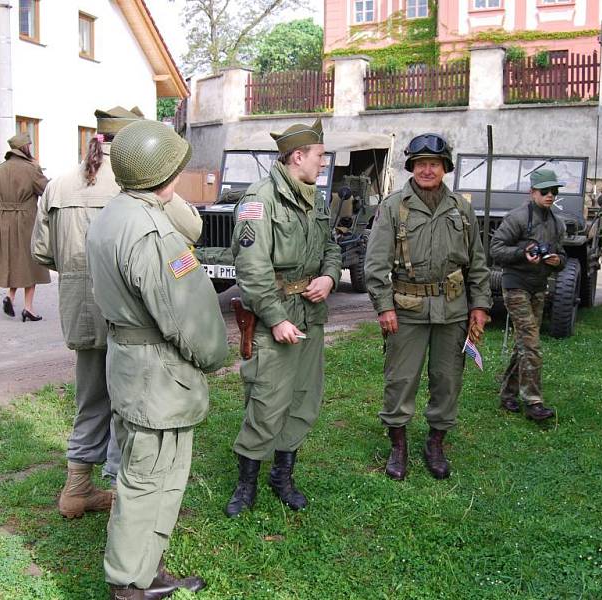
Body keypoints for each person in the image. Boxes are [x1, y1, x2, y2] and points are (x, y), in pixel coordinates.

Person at [86, 119, 228, 599]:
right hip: (158, 374)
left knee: (143, 470)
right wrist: (213, 356)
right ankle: (129, 582)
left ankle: (146, 568)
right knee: (150, 479)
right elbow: (188, 313)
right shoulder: (154, 234)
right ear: (166, 172)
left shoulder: (113, 213)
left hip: (130, 363)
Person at [224, 118, 342, 518]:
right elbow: (252, 268)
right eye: (320, 156)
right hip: (276, 315)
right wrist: (274, 319)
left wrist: (328, 277)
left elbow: (332, 248)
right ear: (297, 157)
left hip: (310, 314)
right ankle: (246, 484)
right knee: (267, 400)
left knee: (303, 398)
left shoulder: (315, 199)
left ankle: (282, 477)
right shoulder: (260, 200)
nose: (323, 163)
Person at [31, 106, 144, 519]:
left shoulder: (58, 185)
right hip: (127, 311)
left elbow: (42, 252)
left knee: (89, 398)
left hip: (79, 310)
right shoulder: (139, 182)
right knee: (126, 401)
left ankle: (76, 490)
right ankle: (120, 491)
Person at [364, 133, 492, 482]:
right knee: (401, 379)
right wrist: (384, 307)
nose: (427, 170)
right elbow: (375, 265)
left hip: (453, 309)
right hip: (406, 309)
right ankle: (399, 445)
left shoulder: (461, 209)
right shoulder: (393, 207)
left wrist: (480, 304)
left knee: (447, 379)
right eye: (420, 164)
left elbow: (477, 263)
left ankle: (436, 442)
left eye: (433, 164)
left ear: (445, 168)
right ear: (412, 167)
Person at [490, 168, 567, 422]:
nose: (550, 195)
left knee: (523, 343)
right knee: (532, 344)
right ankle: (534, 402)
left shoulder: (557, 222)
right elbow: (496, 249)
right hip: (516, 285)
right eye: (544, 191)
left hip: (538, 286)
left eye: (554, 191)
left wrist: (557, 261)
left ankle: (507, 394)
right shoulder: (518, 218)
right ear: (532, 192)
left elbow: (562, 255)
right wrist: (523, 252)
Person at [0, 132, 50, 322]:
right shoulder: (31, 169)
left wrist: (3, 216)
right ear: (25, 148)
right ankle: (28, 308)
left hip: (6, 219)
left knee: (13, 261)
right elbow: (47, 190)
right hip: (27, 219)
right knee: (30, 262)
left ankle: (10, 296)